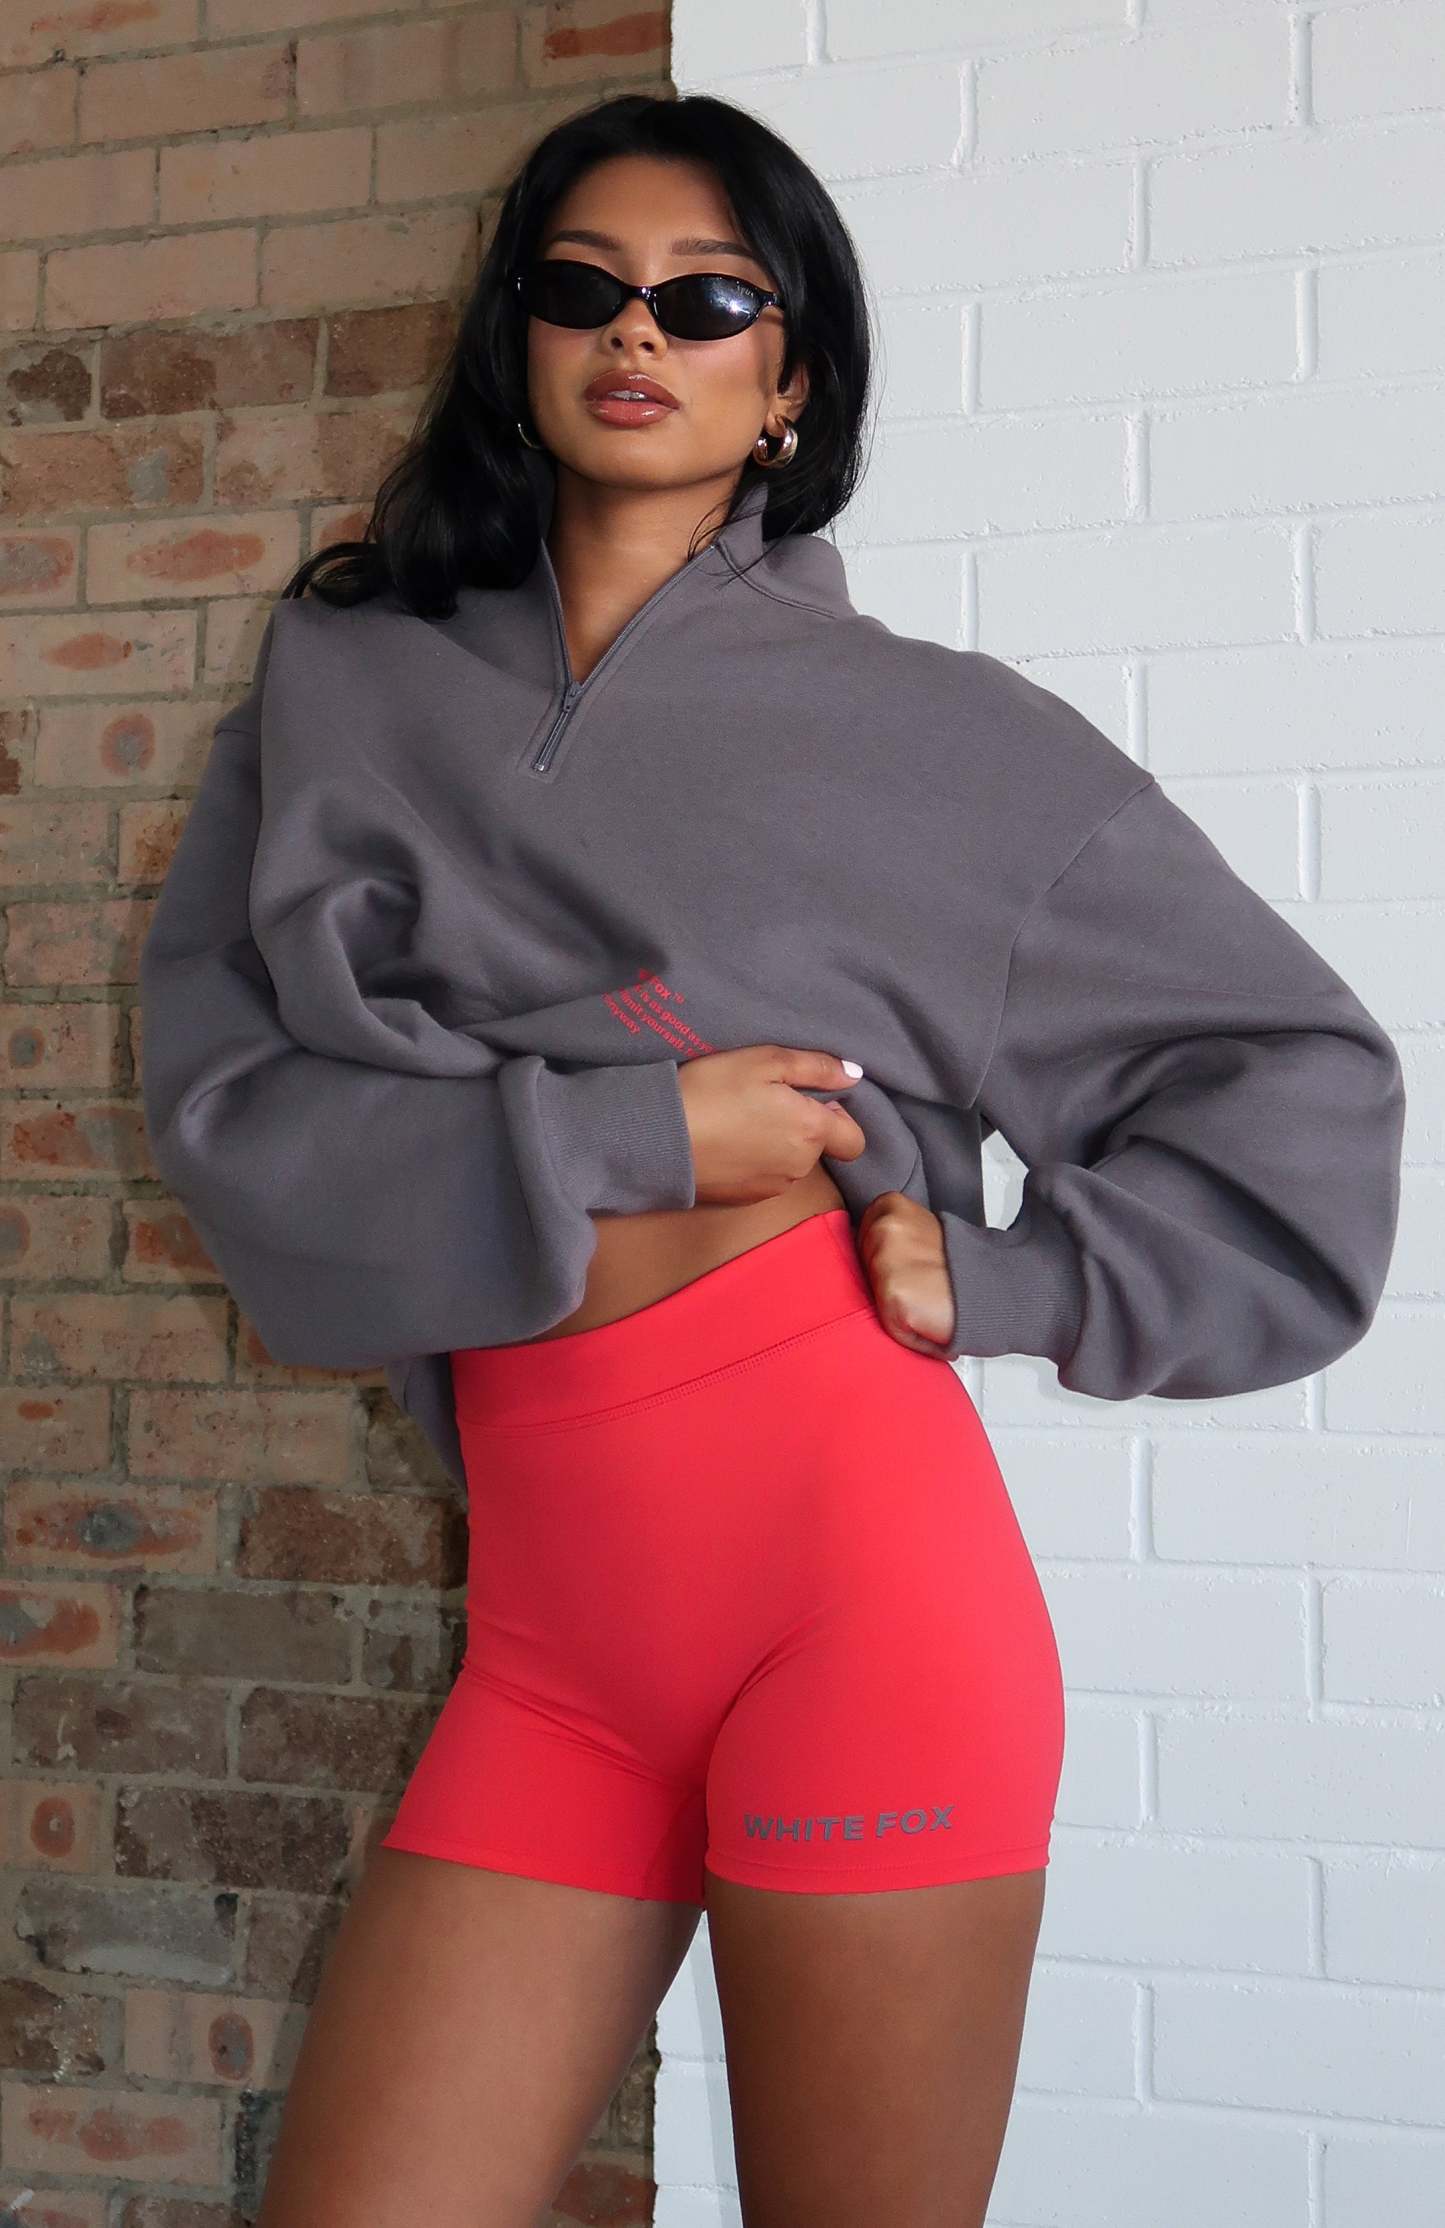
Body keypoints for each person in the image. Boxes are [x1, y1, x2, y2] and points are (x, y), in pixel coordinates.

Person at [138, 92, 1405, 2228]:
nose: (638, 333)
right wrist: (637, 1127)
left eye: (709, 299)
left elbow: (1296, 1077)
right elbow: (231, 1111)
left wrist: (1008, 1275)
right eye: (582, 287)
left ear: (790, 376)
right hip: (553, 1652)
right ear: (516, 338)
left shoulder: (936, 739)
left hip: (855, 1610)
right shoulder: (348, 678)